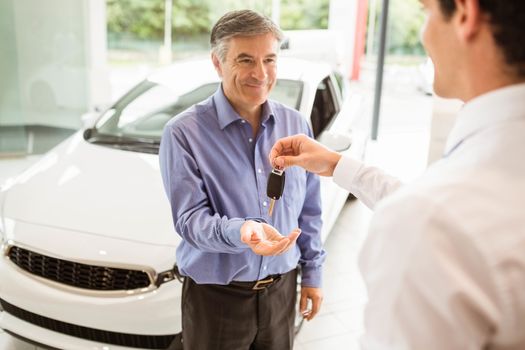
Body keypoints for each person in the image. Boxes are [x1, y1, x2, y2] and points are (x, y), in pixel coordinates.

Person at [269, 0, 525, 349]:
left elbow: (434, 214)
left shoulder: (431, 223)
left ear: (466, 14)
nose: (423, 35)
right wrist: (336, 165)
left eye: (426, 12)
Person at [159, 9, 325, 350]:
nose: (260, 74)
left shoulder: (297, 125)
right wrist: (242, 232)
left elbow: (308, 209)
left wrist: (312, 275)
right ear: (218, 64)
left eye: (269, 59)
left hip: (281, 290)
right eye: (245, 60)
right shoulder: (183, 133)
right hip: (216, 298)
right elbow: (190, 221)